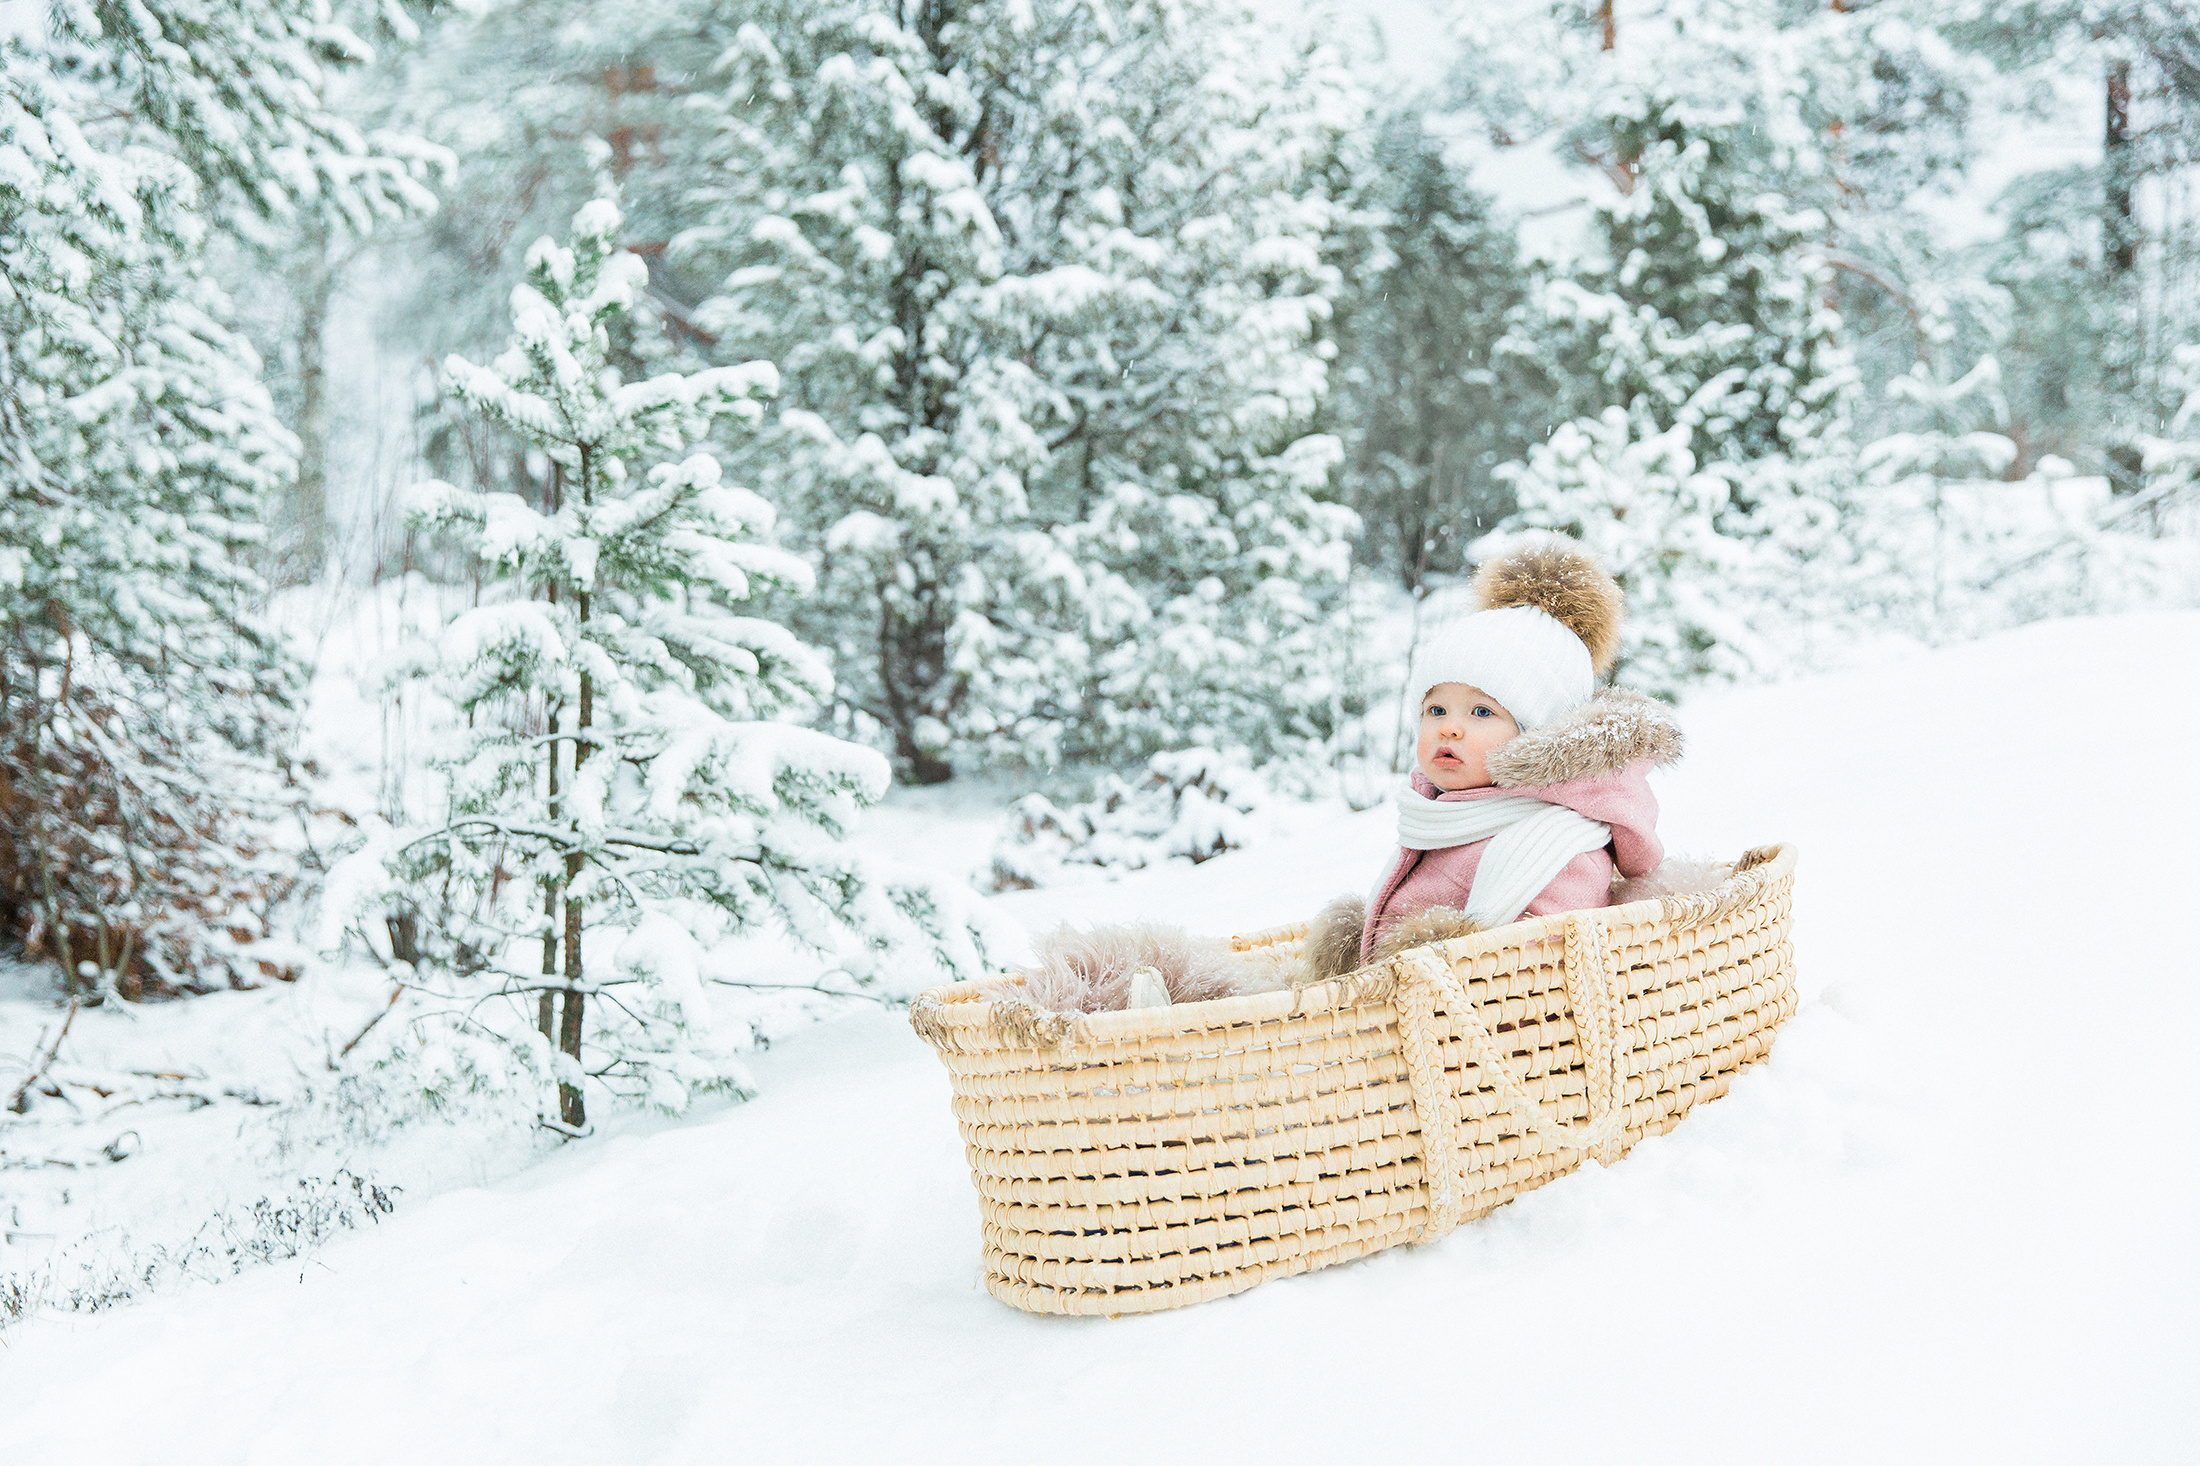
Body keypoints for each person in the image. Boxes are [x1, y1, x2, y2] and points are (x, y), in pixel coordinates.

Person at [1300, 534, 1682, 983]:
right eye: (1435, 709)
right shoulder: (1441, 815)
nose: (1449, 727)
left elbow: (1546, 973)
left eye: (1482, 712)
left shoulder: (1558, 843)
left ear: (1534, 736)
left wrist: (1440, 970)